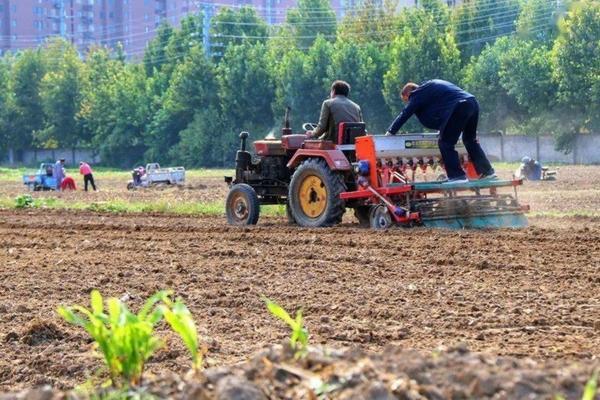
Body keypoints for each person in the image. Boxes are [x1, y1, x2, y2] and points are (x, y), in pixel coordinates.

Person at [385, 79, 496, 184]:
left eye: (407, 100)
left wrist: (390, 132)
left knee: (445, 142)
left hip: (460, 106)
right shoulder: (430, 89)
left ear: (408, 94)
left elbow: (405, 113)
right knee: (469, 139)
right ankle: (487, 172)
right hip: (473, 103)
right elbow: (441, 111)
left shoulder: (417, 94)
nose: (410, 102)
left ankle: (457, 176)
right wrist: (444, 128)